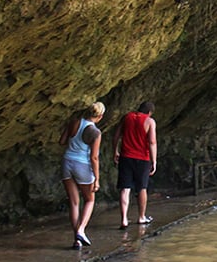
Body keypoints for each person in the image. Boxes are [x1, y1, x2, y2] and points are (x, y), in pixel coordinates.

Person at [59, 101, 105, 249]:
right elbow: (94, 157)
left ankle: (77, 240)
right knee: (90, 200)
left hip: (67, 162)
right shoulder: (95, 133)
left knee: (74, 202)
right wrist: (97, 179)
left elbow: (62, 141)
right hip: (82, 165)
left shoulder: (74, 122)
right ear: (100, 116)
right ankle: (81, 230)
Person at [113, 101, 157, 229]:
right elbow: (152, 142)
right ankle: (141, 217)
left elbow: (116, 136)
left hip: (126, 157)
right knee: (142, 188)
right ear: (149, 112)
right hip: (142, 158)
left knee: (125, 188)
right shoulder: (149, 121)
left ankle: (124, 219)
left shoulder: (126, 117)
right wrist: (154, 160)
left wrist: (115, 151)